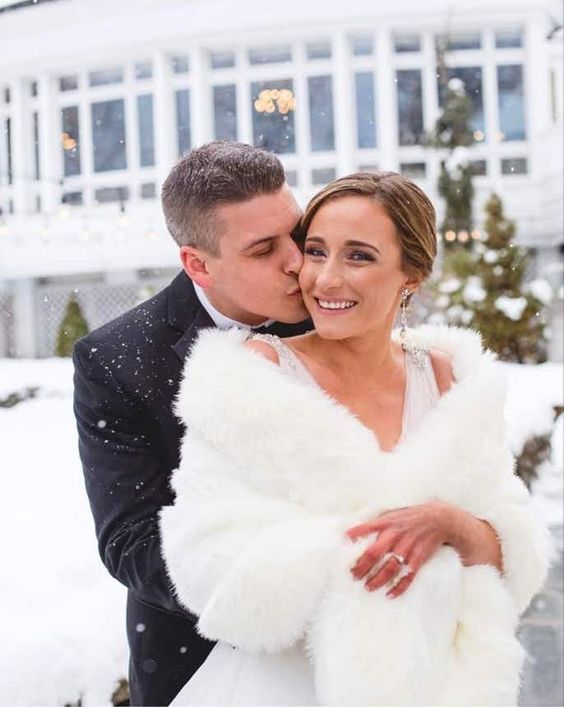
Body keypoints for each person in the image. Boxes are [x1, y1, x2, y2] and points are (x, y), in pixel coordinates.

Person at [161, 171, 549, 706]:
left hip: (437, 686)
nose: (324, 279)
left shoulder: (450, 381)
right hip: (285, 688)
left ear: (411, 274)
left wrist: (452, 525)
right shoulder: (253, 379)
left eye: (359, 256)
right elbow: (207, 561)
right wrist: (365, 551)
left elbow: (516, 542)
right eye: (316, 251)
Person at [72, 141, 312, 706]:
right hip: (204, 657)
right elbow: (131, 540)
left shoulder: (338, 310)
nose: (298, 262)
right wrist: (280, 590)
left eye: (297, 234)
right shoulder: (115, 360)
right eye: (263, 250)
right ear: (198, 264)